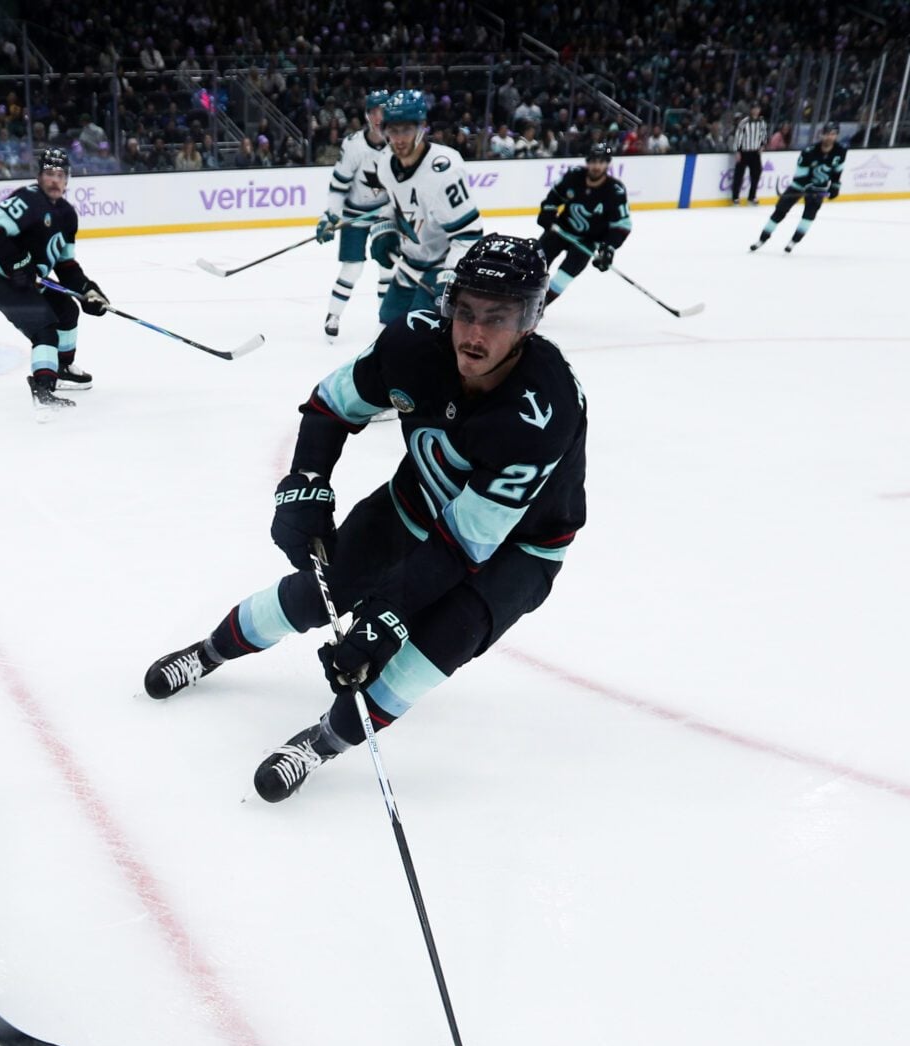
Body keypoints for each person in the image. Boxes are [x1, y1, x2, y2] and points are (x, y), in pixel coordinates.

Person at [138, 235, 586, 802]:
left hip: (515, 550)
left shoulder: (541, 412)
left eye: (496, 319)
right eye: (465, 313)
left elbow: (464, 545)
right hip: (418, 500)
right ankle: (209, 651)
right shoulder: (414, 344)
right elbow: (331, 405)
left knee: (432, 647)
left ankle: (325, 739)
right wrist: (306, 481)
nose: (474, 335)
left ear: (528, 322)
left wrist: (391, 613)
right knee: (316, 594)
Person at [0, 145, 108, 412]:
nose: (55, 179)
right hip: (0, 279)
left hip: (31, 278)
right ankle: (44, 388)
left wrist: (87, 290)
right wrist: (18, 264)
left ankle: (63, 368)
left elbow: (66, 264)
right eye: (49, 173)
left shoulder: (67, 215)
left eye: (61, 174)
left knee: (67, 310)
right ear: (39, 176)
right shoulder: (27, 200)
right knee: (44, 327)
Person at [367, 89, 482, 326]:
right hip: (409, 263)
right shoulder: (386, 164)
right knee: (389, 320)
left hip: (440, 265)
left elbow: (469, 235)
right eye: (393, 130)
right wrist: (384, 228)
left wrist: (451, 277)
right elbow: (396, 204)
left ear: (422, 127)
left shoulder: (444, 172)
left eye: (406, 130)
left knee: (420, 331)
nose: (399, 139)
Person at [316, 89, 392, 338]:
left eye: (383, 111)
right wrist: (329, 216)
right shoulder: (354, 145)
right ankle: (334, 315)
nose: (379, 117)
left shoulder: (400, 143)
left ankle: (387, 321)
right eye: (374, 112)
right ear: (367, 115)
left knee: (388, 267)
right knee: (352, 268)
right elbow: (339, 186)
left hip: (384, 216)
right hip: (354, 213)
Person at [535, 145, 632, 303]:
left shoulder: (615, 191)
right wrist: (547, 214)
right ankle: (520, 300)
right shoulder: (574, 176)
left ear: (607, 164)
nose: (596, 166)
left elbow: (622, 225)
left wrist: (608, 248)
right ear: (587, 162)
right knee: (535, 265)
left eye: (601, 162)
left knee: (564, 276)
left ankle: (539, 306)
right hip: (561, 230)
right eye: (593, 161)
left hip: (588, 241)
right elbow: (554, 197)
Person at [751, 122, 846, 252]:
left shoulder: (841, 151)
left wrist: (835, 186)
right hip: (799, 186)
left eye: (833, 134)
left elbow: (837, 171)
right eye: (827, 133)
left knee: (809, 216)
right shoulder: (809, 151)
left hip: (819, 188)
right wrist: (808, 188)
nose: (829, 137)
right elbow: (800, 174)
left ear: (836, 136)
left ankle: (794, 241)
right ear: (822, 134)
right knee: (780, 211)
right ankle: (762, 238)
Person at [729, 107, 767, 205]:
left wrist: (762, 145)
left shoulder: (762, 122)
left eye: (757, 109)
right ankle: (735, 197)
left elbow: (763, 135)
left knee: (756, 174)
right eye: (754, 109)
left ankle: (752, 196)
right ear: (751, 110)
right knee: (739, 175)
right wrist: (737, 151)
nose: (756, 111)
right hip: (744, 152)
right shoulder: (744, 122)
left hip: (755, 152)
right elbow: (738, 137)